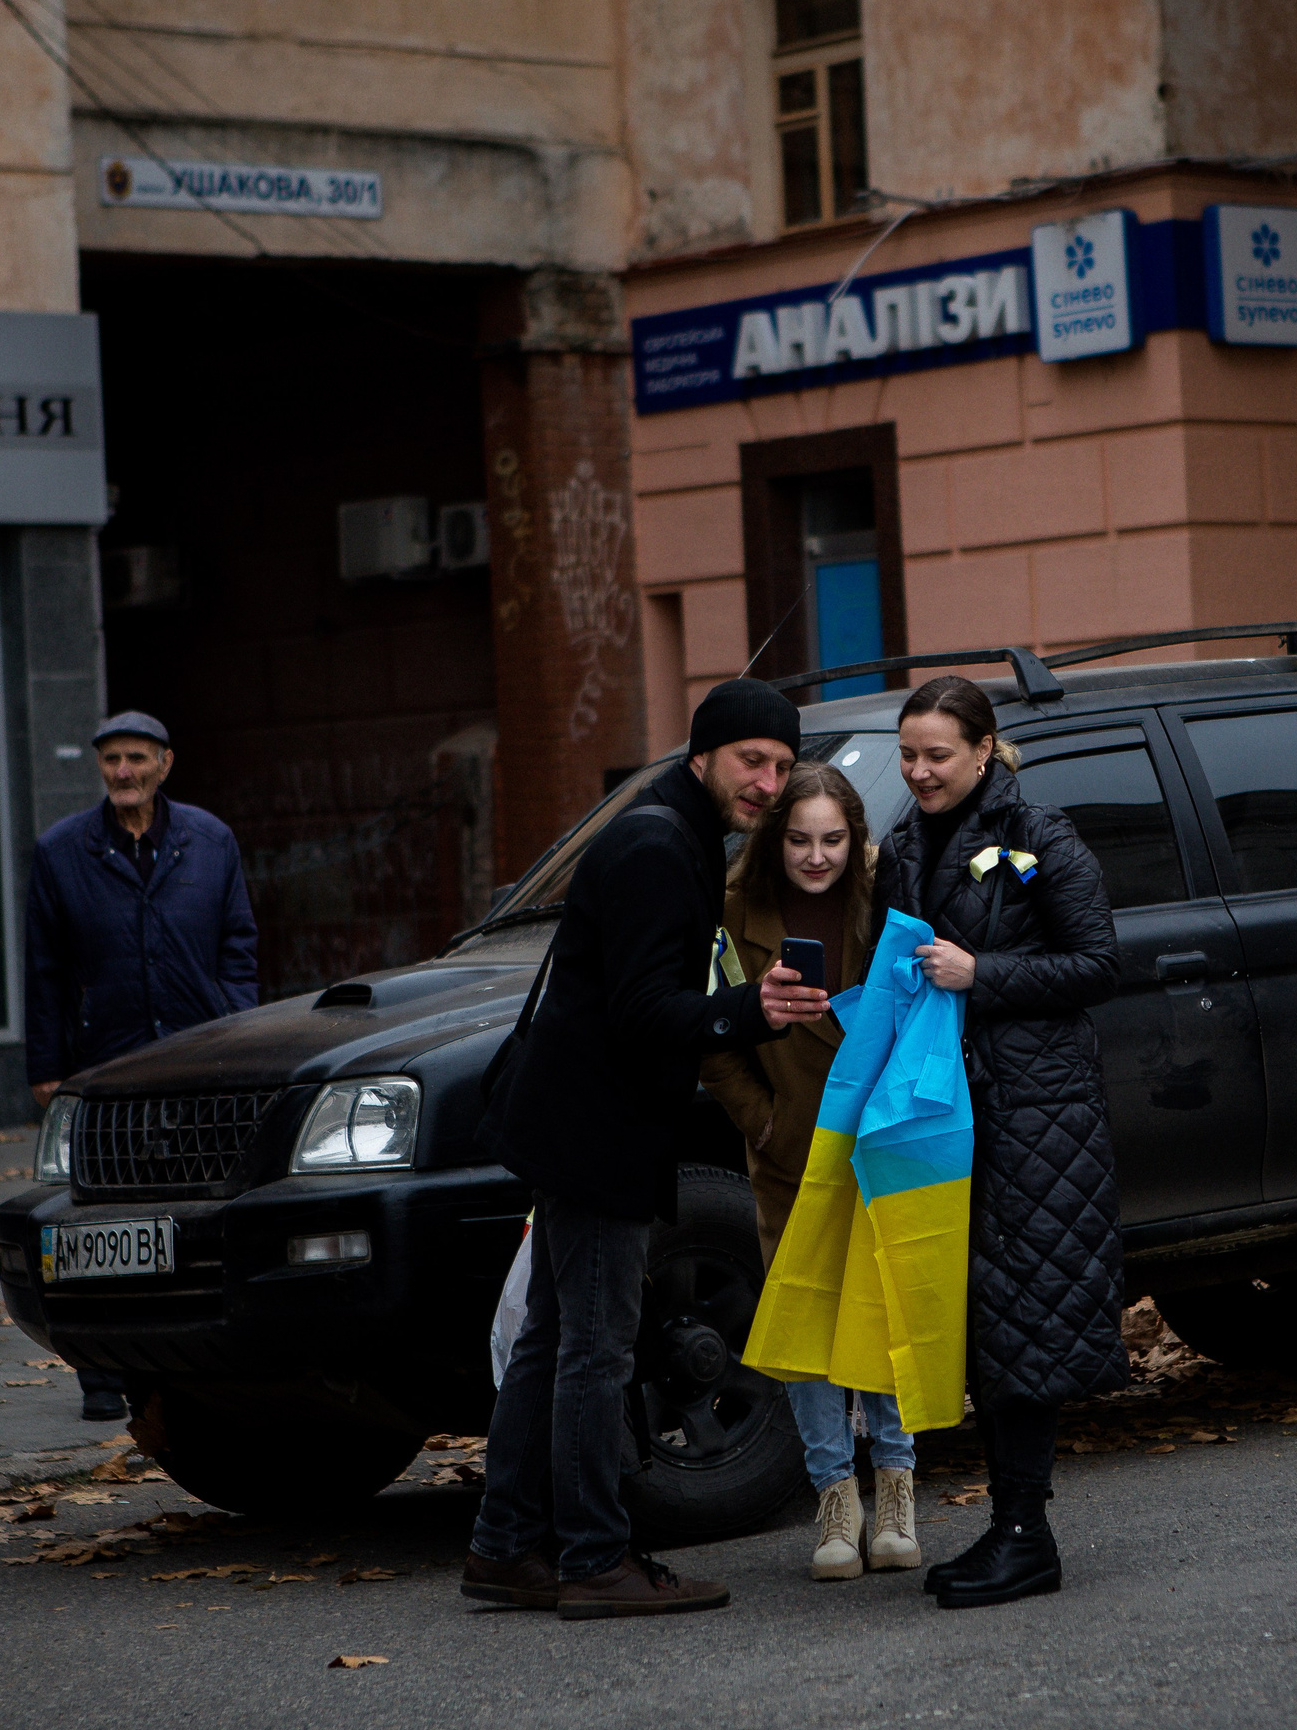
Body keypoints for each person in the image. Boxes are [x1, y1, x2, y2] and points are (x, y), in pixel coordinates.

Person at [462, 678, 812, 1620]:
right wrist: (753, 1008)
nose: (767, 782)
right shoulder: (661, 844)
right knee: (595, 1349)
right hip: (597, 1130)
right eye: (751, 760)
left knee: (550, 1339)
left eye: (780, 766)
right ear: (702, 757)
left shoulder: (668, 829)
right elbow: (646, 1012)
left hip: (578, 1120)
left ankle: (504, 1547)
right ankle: (593, 1558)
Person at [875, 675, 1124, 1610]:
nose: (920, 771)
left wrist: (985, 973)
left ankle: (1027, 1533)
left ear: (984, 750)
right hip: (943, 1113)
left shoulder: (1038, 838)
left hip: (1034, 1118)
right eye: (909, 754)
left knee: (1024, 1319)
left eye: (938, 754)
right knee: (981, 1320)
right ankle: (1012, 1528)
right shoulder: (900, 845)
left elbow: (1100, 963)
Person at [699, 763, 924, 1581]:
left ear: (855, 838)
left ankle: (895, 1482)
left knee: (880, 1310)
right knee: (807, 1324)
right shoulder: (732, 909)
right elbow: (711, 1034)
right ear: (772, 838)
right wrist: (760, 1119)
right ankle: (836, 1495)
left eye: (833, 839)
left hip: (880, 1140)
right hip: (791, 1146)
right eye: (798, 839)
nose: (816, 857)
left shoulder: (888, 899)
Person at [24, 711, 257, 1421]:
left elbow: (239, 944)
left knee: (192, 1214)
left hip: (200, 1056)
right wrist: (47, 1067)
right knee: (96, 1225)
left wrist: (239, 1026)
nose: (122, 772)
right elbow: (44, 970)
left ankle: (189, 1360)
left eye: (136, 759)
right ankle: (100, 1372)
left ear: (165, 764)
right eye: (111, 760)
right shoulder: (63, 851)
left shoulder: (209, 841)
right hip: (106, 1062)